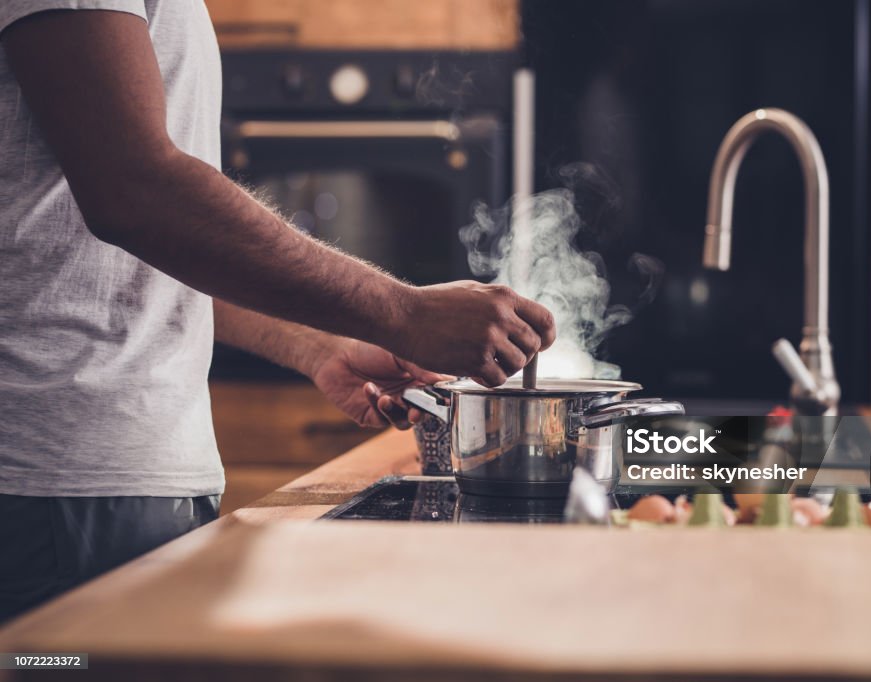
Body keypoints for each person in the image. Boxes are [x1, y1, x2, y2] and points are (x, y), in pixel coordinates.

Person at [0, 0, 555, 622]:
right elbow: (133, 192)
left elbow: (149, 254)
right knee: (53, 665)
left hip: (130, 472)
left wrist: (316, 344)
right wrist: (404, 312)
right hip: (59, 478)